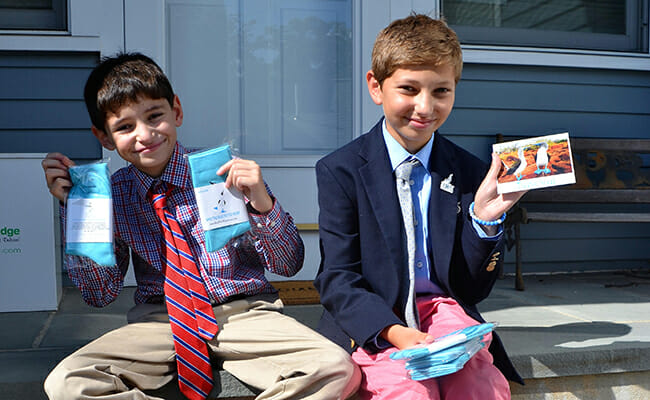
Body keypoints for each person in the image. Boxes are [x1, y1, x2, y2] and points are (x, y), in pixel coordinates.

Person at [41, 52, 359, 400]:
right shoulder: (109, 198)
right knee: (68, 382)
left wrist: (261, 203)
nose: (145, 135)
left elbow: (288, 264)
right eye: (125, 127)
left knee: (335, 367)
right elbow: (98, 294)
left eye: (154, 116)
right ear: (103, 137)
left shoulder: (223, 175)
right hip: (159, 322)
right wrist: (78, 214)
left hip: (245, 314)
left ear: (176, 111)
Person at [314, 14, 525, 400]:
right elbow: (337, 278)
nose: (424, 107)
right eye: (409, 89)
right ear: (376, 87)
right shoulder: (341, 170)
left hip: (444, 312)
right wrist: (394, 332)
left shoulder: (470, 171)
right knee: (407, 392)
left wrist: (483, 222)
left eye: (441, 91)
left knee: (479, 386)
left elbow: (472, 290)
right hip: (378, 317)